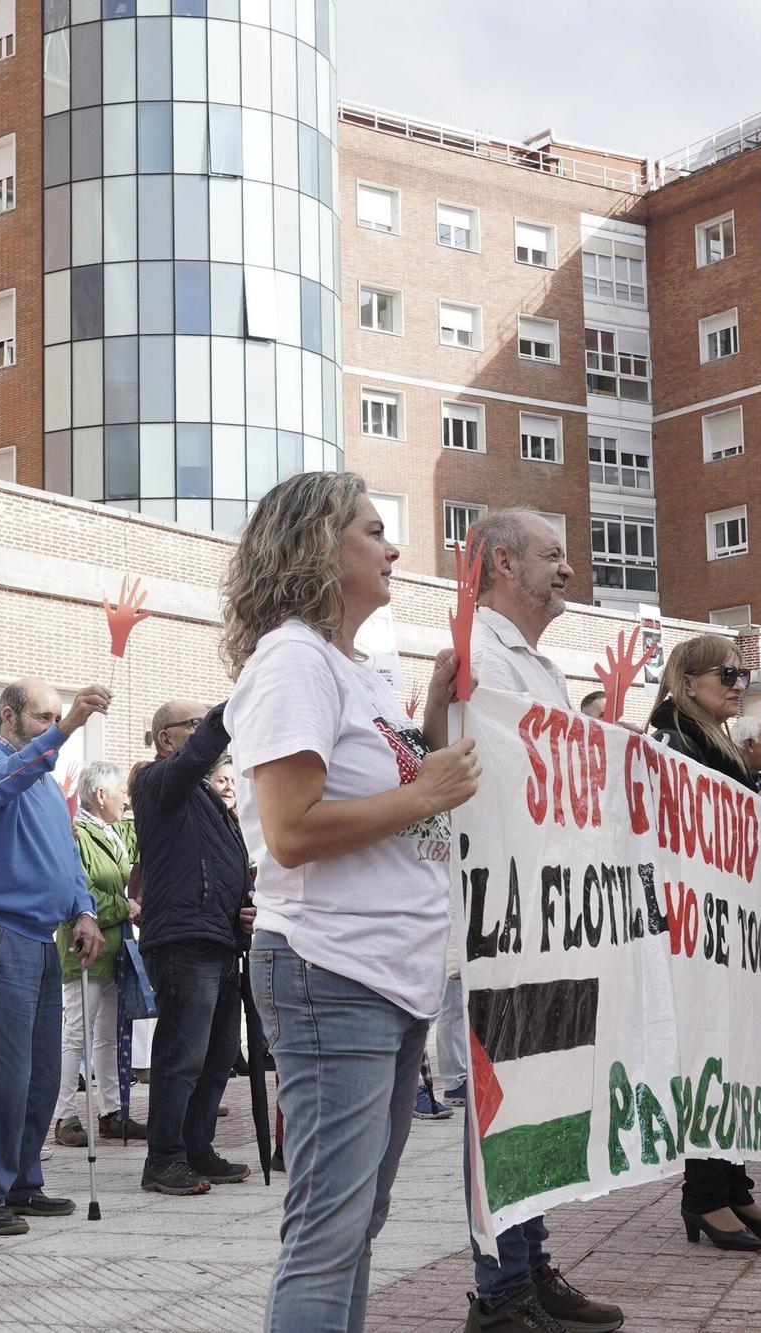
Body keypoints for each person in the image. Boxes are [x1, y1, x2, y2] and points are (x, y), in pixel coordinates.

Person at [222, 471, 479, 1332]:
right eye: (374, 530)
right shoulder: (292, 659)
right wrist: (424, 793)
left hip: (387, 972)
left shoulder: (357, 670)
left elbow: (406, 792)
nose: (394, 546)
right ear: (317, 549)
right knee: (329, 1228)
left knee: (358, 1216)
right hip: (333, 969)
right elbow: (291, 830)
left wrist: (436, 713)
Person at [458, 510, 625, 1332]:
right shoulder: (478, 654)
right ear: (500, 563)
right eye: (553, 556)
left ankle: (529, 1263)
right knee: (502, 1098)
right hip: (507, 915)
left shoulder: (539, 665)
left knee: (542, 1094)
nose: (568, 569)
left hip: (552, 911)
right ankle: (500, 1292)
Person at [647, 634, 761, 1255]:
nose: (737, 683)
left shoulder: (709, 738)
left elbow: (731, 821)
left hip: (728, 928)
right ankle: (704, 1196)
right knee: (710, 1055)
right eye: (724, 673)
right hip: (696, 932)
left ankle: (734, 1185)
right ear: (686, 681)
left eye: (742, 674)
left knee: (736, 1053)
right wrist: (756, 809)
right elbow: (679, 829)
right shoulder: (672, 741)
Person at [0, 679, 109, 1235]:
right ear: (8, 715)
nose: (51, 725)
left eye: (55, 718)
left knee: (41, 1073)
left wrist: (84, 910)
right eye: (41, 717)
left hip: (40, 936)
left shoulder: (45, 782)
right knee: (5, 1070)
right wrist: (66, 733)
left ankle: (21, 1180)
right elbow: (0, 789)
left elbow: (65, 854)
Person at [129, 698, 255, 1197]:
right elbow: (196, 757)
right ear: (167, 738)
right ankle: (164, 1157)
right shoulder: (155, 780)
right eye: (195, 726)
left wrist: (244, 907)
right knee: (183, 1052)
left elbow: (218, 866)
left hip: (219, 938)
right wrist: (233, 705)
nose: (206, 734)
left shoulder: (207, 802)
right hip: (184, 939)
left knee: (220, 1052)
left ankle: (196, 1147)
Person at [53, 760, 139, 1147]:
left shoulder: (111, 830)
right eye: (121, 790)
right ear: (101, 795)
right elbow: (78, 890)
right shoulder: (77, 833)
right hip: (85, 950)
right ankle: (64, 1116)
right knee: (76, 1034)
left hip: (116, 951)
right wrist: (126, 907)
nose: (126, 797)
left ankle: (112, 1111)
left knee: (106, 1035)